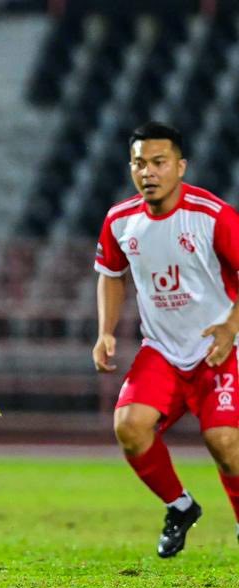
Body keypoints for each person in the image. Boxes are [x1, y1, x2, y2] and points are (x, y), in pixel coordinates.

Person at [93, 121, 239, 558]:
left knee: (225, 443)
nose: (149, 172)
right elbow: (111, 274)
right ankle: (180, 506)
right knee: (129, 426)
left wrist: (231, 326)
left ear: (180, 166)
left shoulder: (212, 215)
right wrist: (105, 331)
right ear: (130, 168)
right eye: (140, 163)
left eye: (159, 162)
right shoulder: (120, 221)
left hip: (219, 349)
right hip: (162, 350)